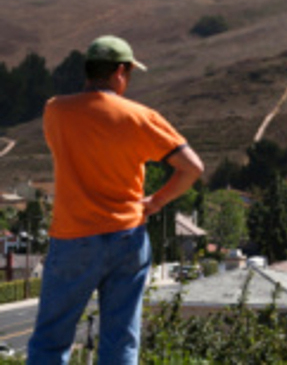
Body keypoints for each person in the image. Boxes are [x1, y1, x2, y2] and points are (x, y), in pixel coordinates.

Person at [28, 36, 204, 365]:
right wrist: (157, 201)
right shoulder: (141, 117)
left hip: (73, 238)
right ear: (120, 72)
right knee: (120, 340)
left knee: (50, 342)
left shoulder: (56, 111)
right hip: (128, 236)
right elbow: (192, 168)